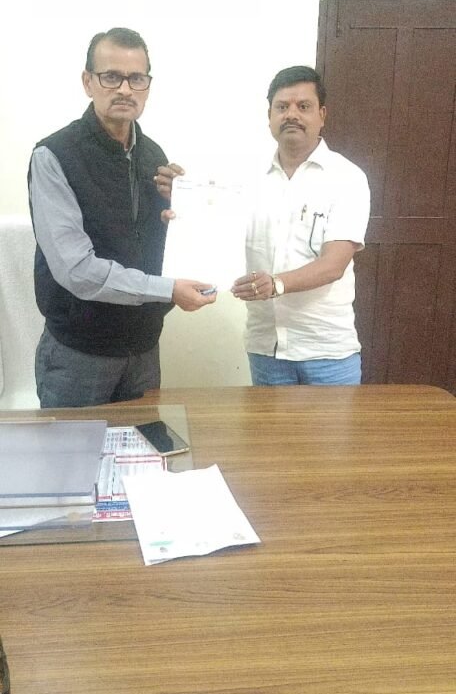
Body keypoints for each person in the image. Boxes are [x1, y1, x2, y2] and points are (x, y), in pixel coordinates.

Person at [29, 27, 216, 408]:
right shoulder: (54, 156)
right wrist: (168, 290)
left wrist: (183, 212)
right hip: (79, 355)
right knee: (72, 450)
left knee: (144, 447)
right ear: (88, 82)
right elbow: (77, 270)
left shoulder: (154, 157)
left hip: (144, 350)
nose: (126, 89)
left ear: (148, 85)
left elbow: (150, 245)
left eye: (137, 78)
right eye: (111, 76)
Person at [231, 65, 370, 385]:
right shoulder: (247, 180)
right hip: (266, 349)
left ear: (322, 115)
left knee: (335, 424)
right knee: (266, 424)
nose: (291, 114)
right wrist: (179, 198)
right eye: (282, 107)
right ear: (269, 116)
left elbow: (333, 265)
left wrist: (276, 284)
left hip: (327, 352)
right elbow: (215, 228)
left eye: (303, 106)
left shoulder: (347, 178)